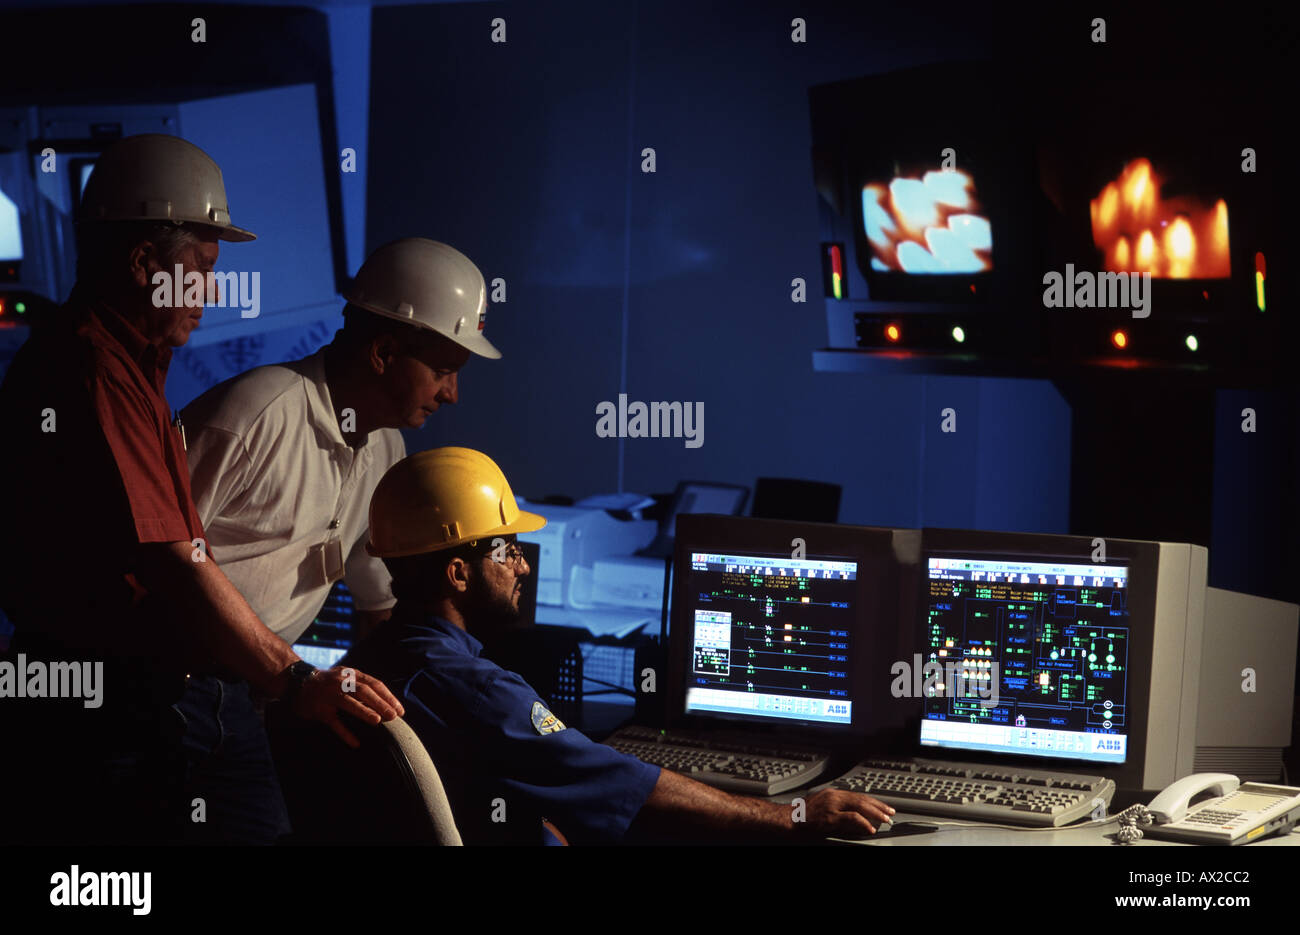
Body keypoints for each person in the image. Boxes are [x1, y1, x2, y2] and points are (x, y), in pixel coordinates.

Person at [0, 134, 403, 845]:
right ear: (142, 264)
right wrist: (295, 678)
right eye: (202, 269)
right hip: (106, 706)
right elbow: (174, 559)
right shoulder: (98, 372)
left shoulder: (125, 368)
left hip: (142, 697)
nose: (213, 291)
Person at [343, 447, 896, 845]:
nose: (523, 565)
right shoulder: (480, 690)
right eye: (506, 550)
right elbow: (618, 782)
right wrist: (794, 815)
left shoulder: (371, 661)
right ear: (459, 574)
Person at [182, 239, 497, 649]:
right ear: (383, 352)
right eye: (442, 371)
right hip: (174, 685)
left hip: (254, 691)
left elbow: (377, 602)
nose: (451, 394)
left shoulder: (386, 451)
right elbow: (152, 553)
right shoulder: (256, 413)